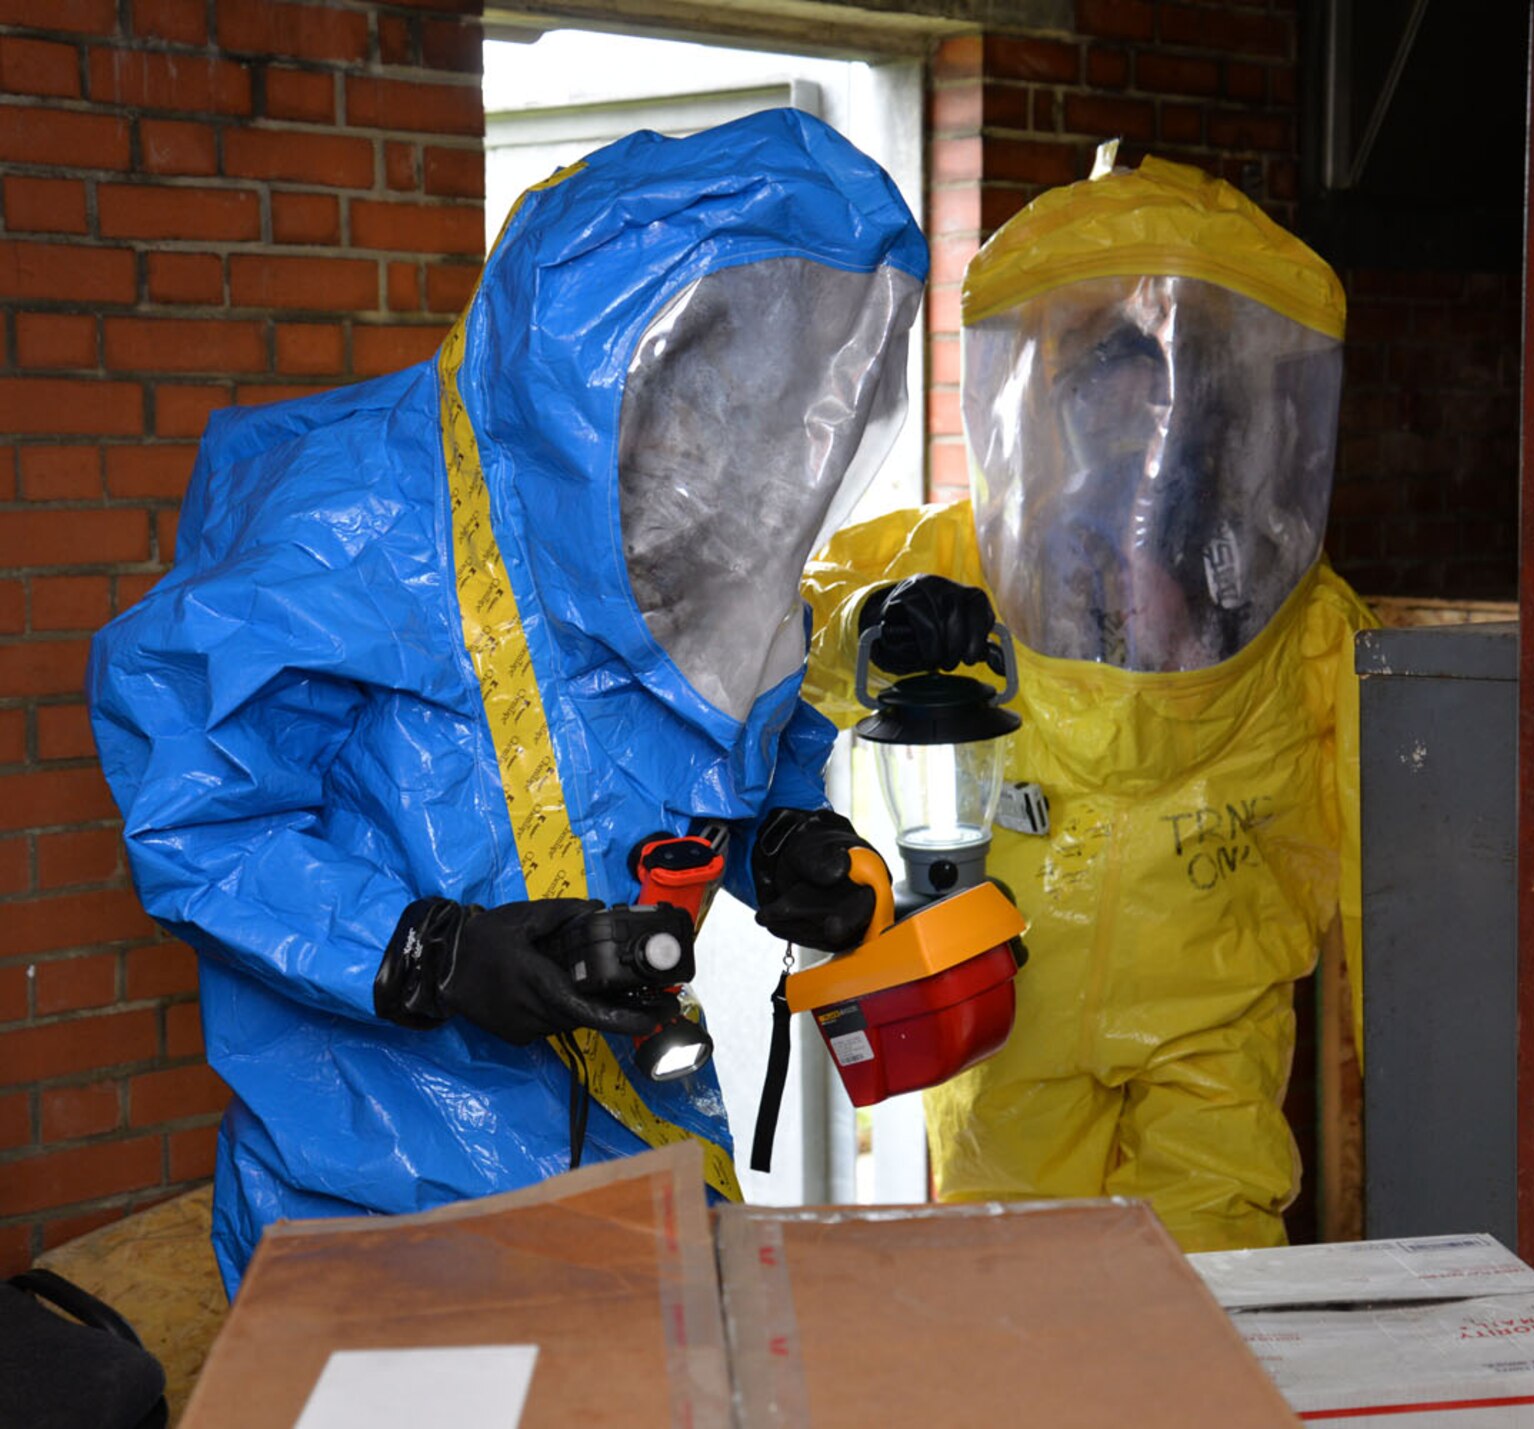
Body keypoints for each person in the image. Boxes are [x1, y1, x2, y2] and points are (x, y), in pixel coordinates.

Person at [87, 111, 919, 1294]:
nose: (741, 430)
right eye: (712, 380)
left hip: (641, 1145)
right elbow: (197, 815)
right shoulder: (352, 522)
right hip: (375, 1182)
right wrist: (429, 951)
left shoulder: (689, 538)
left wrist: (778, 843)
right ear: (606, 357)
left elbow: (693, 752)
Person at [804, 152, 1376, 1251]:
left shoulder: (1295, 609)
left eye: (1155, 388)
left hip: (1203, 1004)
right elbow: (799, 633)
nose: (1133, 426)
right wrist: (881, 623)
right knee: (1015, 1287)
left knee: (1215, 1277)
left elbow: (1382, 840)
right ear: (1048, 399)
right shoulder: (956, 560)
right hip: (1008, 993)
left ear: (1212, 404)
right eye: (1108, 385)